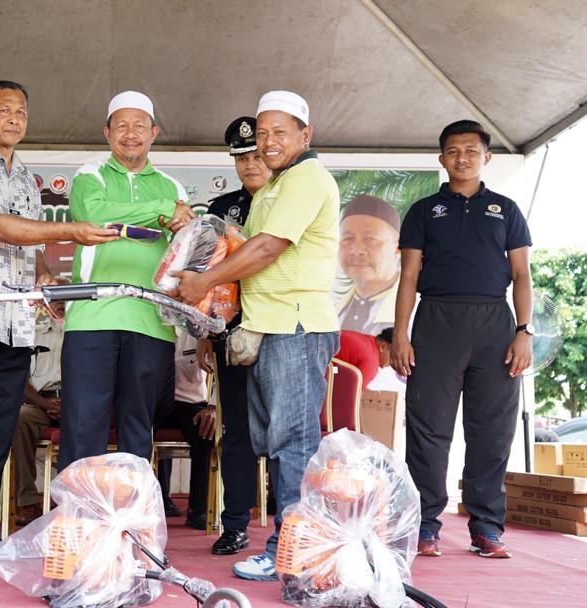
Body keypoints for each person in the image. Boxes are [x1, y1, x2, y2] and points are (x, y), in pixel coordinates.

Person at [0, 81, 117, 562]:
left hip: (16, 324)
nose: (14, 119)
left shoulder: (28, 178)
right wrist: (72, 230)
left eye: (21, 113)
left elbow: (30, 249)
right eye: (5, 110)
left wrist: (45, 275)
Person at [173, 91, 341, 581]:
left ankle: (294, 551)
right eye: (262, 133)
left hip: (295, 326)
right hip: (265, 328)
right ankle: (292, 547)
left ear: (305, 134)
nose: (267, 142)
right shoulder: (278, 184)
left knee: (293, 442)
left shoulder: (306, 178)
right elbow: (241, 248)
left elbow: (266, 248)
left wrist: (202, 282)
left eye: (278, 132)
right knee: (272, 440)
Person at [391, 119, 532, 560]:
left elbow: (522, 275)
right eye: (453, 151)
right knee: (428, 428)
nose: (463, 158)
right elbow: (408, 276)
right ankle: (424, 525)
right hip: (436, 320)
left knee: (492, 429)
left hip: (495, 322)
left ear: (486, 157)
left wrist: (524, 331)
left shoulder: (506, 210)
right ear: (442, 158)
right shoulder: (423, 211)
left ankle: (486, 527)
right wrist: (400, 334)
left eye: (471, 150)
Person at [58, 91, 194, 470]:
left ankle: (133, 507)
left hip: (151, 321)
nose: (130, 134)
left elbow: (184, 245)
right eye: (121, 126)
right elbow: (93, 214)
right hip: (92, 318)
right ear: (107, 132)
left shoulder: (172, 187)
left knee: (137, 432)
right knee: (83, 428)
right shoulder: (90, 175)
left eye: (139, 126)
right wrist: (161, 211)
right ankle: (78, 507)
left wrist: (170, 215)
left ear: (154, 132)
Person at [195, 116, 271, 556]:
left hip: (281, 329)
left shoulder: (288, 199)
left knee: (283, 430)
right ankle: (236, 523)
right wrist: (205, 333)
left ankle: (292, 526)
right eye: (241, 158)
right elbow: (208, 273)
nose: (249, 164)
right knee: (237, 429)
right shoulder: (221, 209)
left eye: (257, 155)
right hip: (232, 331)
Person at [155, 328, 216, 530]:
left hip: (189, 403)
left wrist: (213, 406)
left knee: (205, 431)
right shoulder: (153, 327)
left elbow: (220, 373)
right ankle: (156, 499)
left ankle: (199, 509)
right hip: (154, 403)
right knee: (139, 428)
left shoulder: (198, 332)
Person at [11, 311, 65, 527]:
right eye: (55, 297)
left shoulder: (83, 330)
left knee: (87, 421)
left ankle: (72, 498)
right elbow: (19, 378)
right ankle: (26, 501)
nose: (60, 302)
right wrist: (43, 403)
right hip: (40, 402)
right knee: (21, 418)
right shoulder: (33, 333)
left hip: (78, 403)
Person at [334, 195, 402, 335]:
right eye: (348, 238)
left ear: (397, 247)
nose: (356, 250)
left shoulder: (420, 308)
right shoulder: (329, 308)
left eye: (370, 238)